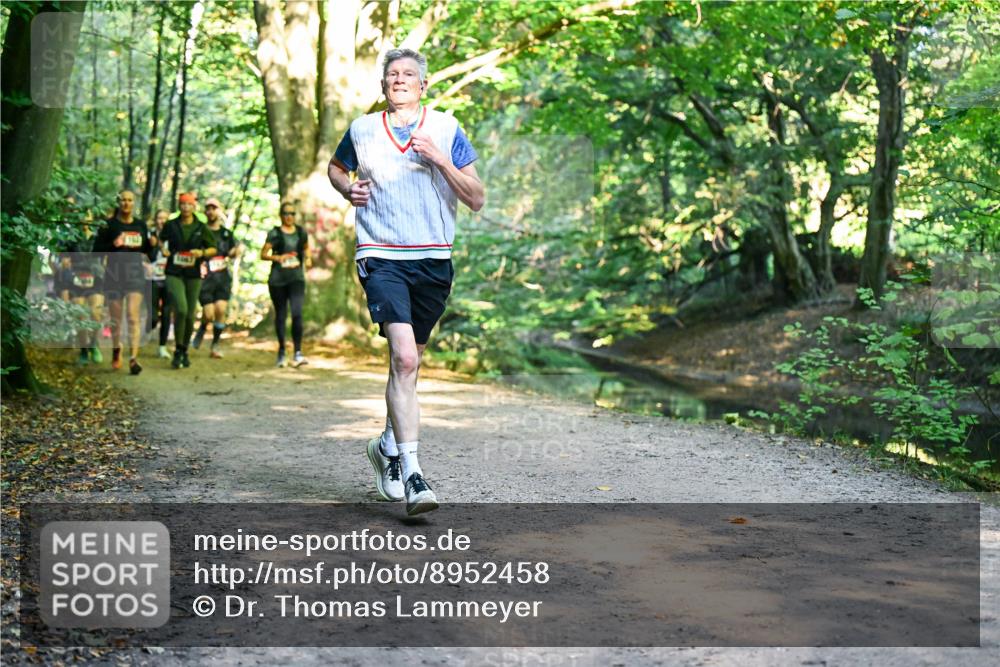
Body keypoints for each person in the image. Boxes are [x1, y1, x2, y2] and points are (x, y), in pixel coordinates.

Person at [327, 48, 484, 515]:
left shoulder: (447, 129)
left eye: (408, 75)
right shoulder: (362, 129)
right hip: (381, 255)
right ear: (383, 86)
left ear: (423, 86)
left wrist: (439, 159)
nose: (399, 80)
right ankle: (413, 473)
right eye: (392, 74)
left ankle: (387, 446)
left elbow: (476, 198)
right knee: (405, 354)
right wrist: (346, 188)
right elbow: (337, 168)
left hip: (433, 259)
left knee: (409, 365)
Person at [93, 190, 155, 375]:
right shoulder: (109, 225)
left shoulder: (140, 225)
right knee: (116, 320)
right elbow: (96, 251)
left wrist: (152, 244)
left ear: (134, 203)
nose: (126, 203)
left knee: (133, 316)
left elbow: (148, 254)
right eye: (123, 200)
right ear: (118, 202)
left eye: (130, 200)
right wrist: (114, 244)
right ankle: (116, 348)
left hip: (135, 275)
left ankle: (134, 358)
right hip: (114, 275)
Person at [160, 192, 217, 369]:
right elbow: (161, 241)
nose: (186, 207)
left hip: (193, 274)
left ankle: (183, 350)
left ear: (194, 207)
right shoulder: (171, 225)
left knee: (191, 314)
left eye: (189, 204)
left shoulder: (201, 227)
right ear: (179, 206)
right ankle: (178, 348)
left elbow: (213, 248)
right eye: (183, 204)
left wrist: (202, 253)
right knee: (182, 309)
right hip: (174, 272)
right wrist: (164, 250)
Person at [260, 202, 311, 368]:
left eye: (292, 213)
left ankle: (297, 352)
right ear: (281, 215)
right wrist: (277, 258)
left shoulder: (301, 232)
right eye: (286, 213)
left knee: (297, 314)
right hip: (278, 280)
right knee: (281, 314)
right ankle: (282, 350)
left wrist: (308, 259)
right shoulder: (274, 233)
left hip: (296, 278)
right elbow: (263, 254)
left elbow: (306, 248)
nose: (289, 216)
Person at [192, 198, 241, 358]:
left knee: (221, 310)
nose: (210, 211)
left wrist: (236, 252)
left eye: (214, 208)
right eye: (208, 208)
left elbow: (231, 253)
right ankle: (202, 327)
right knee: (208, 314)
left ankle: (215, 345)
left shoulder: (226, 234)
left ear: (219, 211)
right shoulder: (200, 231)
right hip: (205, 279)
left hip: (222, 278)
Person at [60, 219, 105, 365]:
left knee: (95, 313)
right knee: (80, 316)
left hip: (96, 278)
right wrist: (65, 263)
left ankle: (94, 343)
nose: (85, 222)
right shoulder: (71, 238)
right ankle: (84, 350)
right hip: (76, 279)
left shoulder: (99, 237)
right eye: (82, 219)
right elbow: (63, 259)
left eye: (88, 218)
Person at [148, 209, 172, 359]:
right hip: (151, 278)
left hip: (169, 277)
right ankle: (147, 328)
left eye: (165, 218)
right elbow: (142, 253)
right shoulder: (149, 235)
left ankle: (162, 347)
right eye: (159, 218)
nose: (162, 221)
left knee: (167, 313)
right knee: (153, 316)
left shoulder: (174, 236)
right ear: (155, 220)